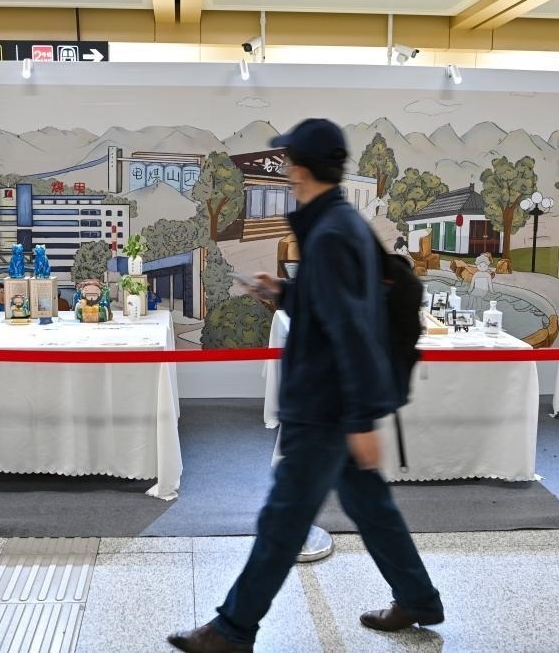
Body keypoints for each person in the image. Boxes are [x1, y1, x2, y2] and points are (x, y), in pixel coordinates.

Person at [168, 119, 444, 653]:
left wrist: (359, 420)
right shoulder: (336, 224)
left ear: (300, 168)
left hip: (324, 407)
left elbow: (352, 329)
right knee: (370, 507)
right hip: (332, 402)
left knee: (284, 518)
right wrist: (284, 292)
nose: (285, 170)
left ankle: (232, 629)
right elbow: (330, 307)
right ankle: (419, 599)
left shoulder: (332, 232)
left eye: (288, 161)